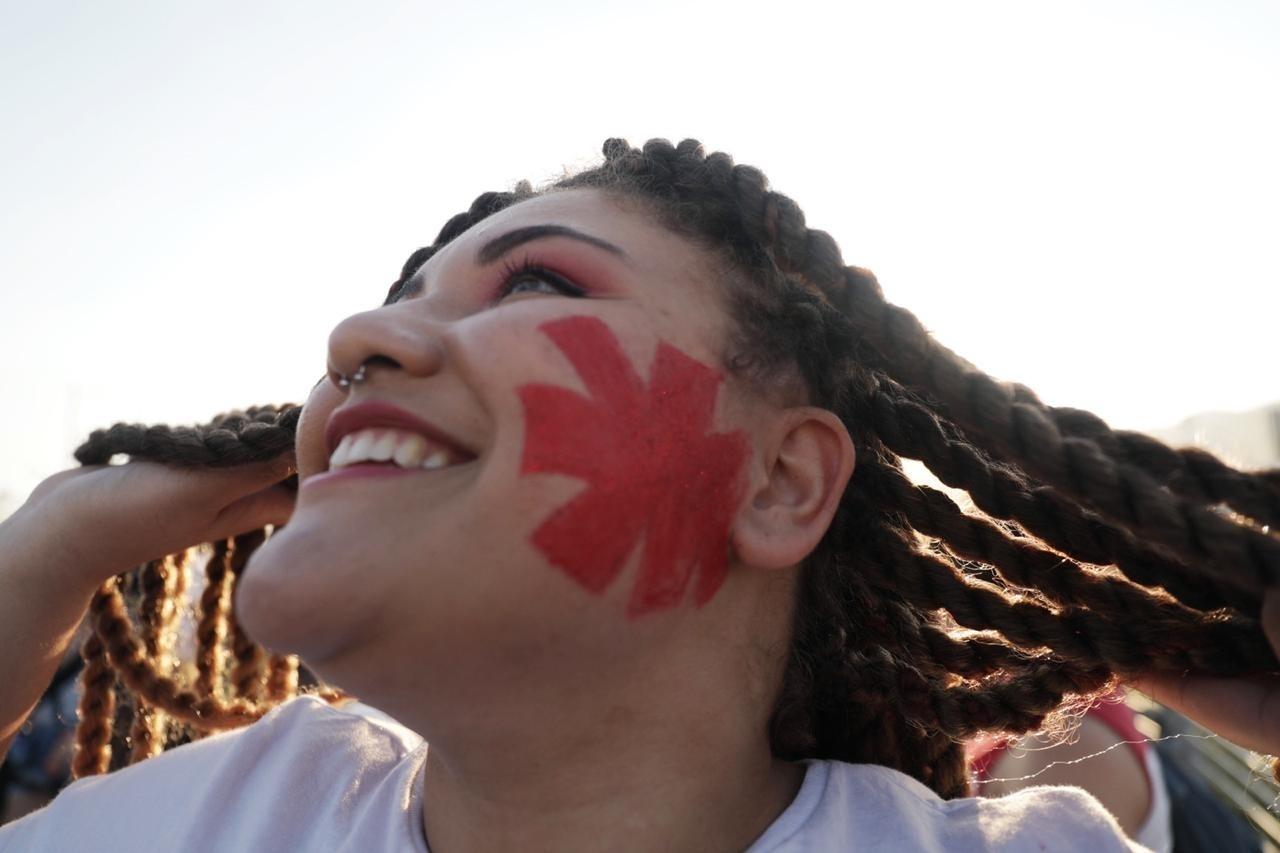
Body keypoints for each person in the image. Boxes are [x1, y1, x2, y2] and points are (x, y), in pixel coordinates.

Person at [0, 137, 1277, 852]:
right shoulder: (217, 817)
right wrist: (49, 546)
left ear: (780, 482)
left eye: (537, 284)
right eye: (400, 299)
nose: (356, 336)